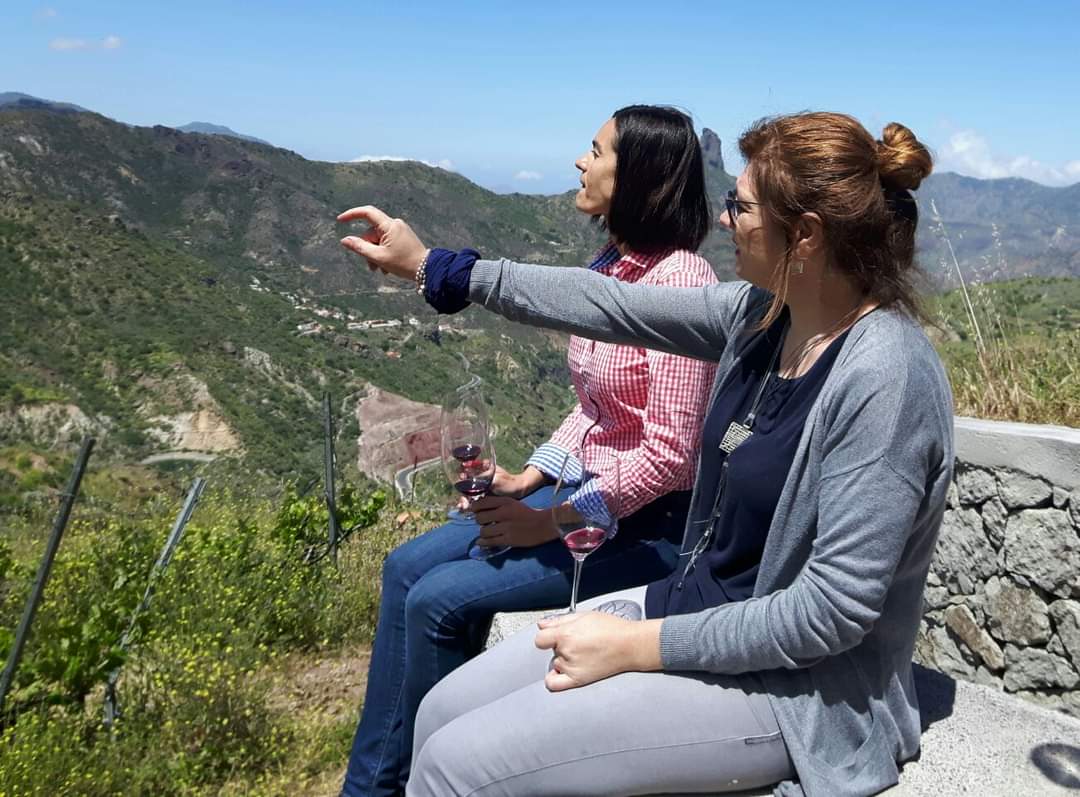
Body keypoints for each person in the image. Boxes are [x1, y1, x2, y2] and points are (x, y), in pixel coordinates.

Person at [339, 111, 954, 797]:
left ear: (805, 235)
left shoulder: (885, 376)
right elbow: (607, 304)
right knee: (440, 712)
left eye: (740, 206)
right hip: (686, 605)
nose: (724, 220)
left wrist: (635, 645)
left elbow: (830, 613)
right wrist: (437, 268)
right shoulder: (762, 317)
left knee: (459, 763)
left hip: (794, 692)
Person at [337, 105, 720, 797]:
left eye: (595, 150)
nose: (580, 160)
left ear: (637, 176)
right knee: (403, 567)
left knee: (439, 600)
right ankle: (370, 786)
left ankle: (431, 776)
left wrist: (551, 520)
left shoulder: (682, 283)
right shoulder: (611, 265)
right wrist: (528, 477)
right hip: (579, 496)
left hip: (645, 524)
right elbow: (598, 408)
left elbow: (671, 457)